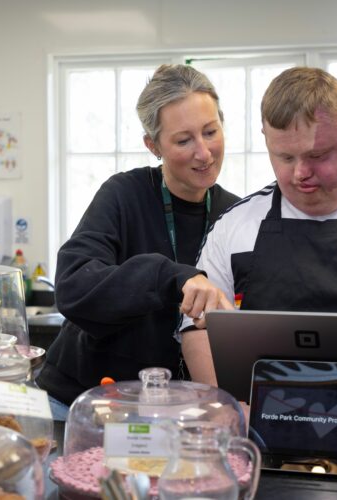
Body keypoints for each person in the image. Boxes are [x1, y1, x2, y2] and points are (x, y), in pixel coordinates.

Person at [36, 64, 239, 419]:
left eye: (211, 131)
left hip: (178, 412)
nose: (204, 153)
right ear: (152, 145)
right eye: (183, 140)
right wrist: (169, 276)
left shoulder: (235, 214)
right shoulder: (123, 195)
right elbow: (73, 284)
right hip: (83, 405)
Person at [180, 66, 337, 387]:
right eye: (284, 157)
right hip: (266, 428)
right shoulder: (236, 227)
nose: (300, 173)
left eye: (318, 155)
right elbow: (197, 327)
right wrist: (231, 409)